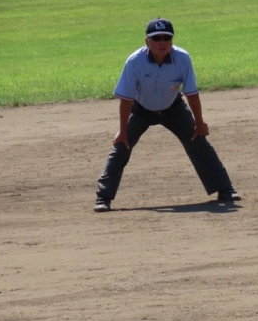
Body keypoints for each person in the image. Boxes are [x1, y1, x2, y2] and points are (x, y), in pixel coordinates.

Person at [93, 18, 240, 212]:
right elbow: (126, 99)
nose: (162, 42)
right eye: (156, 38)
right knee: (122, 146)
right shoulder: (135, 62)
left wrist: (199, 123)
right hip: (141, 109)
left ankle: (225, 188)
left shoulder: (183, 58)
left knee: (198, 140)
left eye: (166, 38)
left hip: (173, 109)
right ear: (147, 41)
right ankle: (103, 197)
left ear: (172, 40)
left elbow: (192, 94)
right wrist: (122, 131)